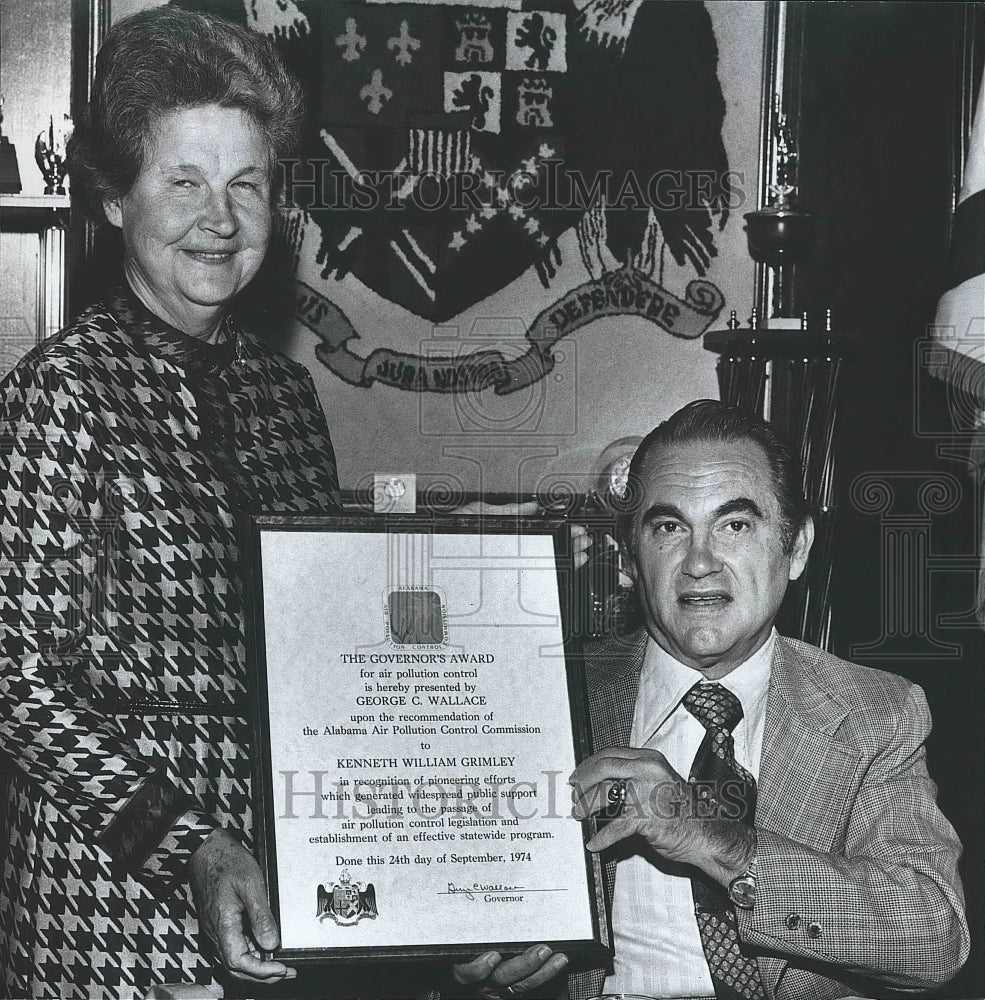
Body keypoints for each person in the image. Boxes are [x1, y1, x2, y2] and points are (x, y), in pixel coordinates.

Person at [0, 9, 570, 999]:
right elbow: (19, 683)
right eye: (182, 180)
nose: (218, 217)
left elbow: (332, 666)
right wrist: (186, 842)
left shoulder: (283, 396)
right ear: (113, 197)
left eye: (246, 183)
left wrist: (477, 883)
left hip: (290, 886)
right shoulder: (63, 391)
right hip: (117, 904)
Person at [454, 400, 970, 999]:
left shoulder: (874, 711)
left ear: (796, 548)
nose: (699, 563)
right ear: (629, 558)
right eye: (669, 528)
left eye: (735, 525)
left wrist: (714, 840)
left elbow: (933, 941)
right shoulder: (539, 694)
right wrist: (466, 964)